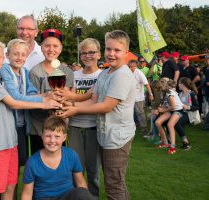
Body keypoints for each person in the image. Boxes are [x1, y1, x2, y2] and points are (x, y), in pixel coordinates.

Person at [0, 37, 59, 200]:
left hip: (11, 140)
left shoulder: (0, 76)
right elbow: (14, 102)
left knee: (10, 185)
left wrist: (47, 96)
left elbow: (27, 95)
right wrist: (44, 103)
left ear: (3, 57)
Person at [59, 30, 136, 200]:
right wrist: (69, 104)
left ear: (126, 52)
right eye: (109, 49)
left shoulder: (122, 75)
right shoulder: (105, 73)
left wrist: (75, 109)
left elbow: (107, 106)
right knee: (115, 182)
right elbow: (93, 99)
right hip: (107, 136)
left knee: (114, 185)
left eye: (117, 50)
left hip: (117, 138)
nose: (111, 54)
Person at [63, 38, 102, 199]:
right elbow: (67, 98)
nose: (87, 56)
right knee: (75, 169)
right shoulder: (73, 75)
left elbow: (99, 101)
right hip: (74, 127)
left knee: (93, 171)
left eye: (91, 52)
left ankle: (93, 197)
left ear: (99, 54)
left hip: (95, 127)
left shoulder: (103, 75)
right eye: (84, 53)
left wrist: (75, 106)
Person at [21, 115, 92, 200]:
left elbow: (81, 183)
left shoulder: (71, 155)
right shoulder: (32, 162)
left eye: (57, 136)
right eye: (48, 136)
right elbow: (27, 194)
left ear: (64, 137)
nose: (52, 140)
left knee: (82, 193)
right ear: (42, 136)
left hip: (66, 196)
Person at [29, 28, 74, 155]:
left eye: (55, 46)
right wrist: (48, 100)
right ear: (41, 47)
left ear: (60, 48)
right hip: (39, 129)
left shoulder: (67, 72)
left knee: (58, 165)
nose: (51, 49)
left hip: (59, 129)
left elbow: (69, 98)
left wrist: (63, 104)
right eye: (47, 45)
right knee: (39, 164)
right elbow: (31, 100)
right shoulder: (35, 72)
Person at [155, 80, 183, 154]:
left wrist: (163, 110)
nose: (158, 90)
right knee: (158, 122)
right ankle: (165, 143)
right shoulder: (164, 93)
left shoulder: (169, 93)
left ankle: (173, 147)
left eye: (158, 88)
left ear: (163, 87)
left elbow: (173, 107)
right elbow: (165, 104)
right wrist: (159, 110)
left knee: (170, 125)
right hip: (171, 110)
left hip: (178, 110)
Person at [128, 60, 154, 136]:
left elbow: (146, 84)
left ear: (135, 66)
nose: (131, 68)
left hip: (138, 97)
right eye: (130, 66)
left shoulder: (139, 73)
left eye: (133, 67)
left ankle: (144, 129)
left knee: (140, 113)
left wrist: (151, 94)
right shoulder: (127, 72)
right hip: (129, 97)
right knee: (129, 113)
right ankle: (130, 128)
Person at [177, 77, 199, 150]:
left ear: (183, 84)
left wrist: (188, 107)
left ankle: (186, 142)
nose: (178, 85)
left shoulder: (192, 94)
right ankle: (172, 140)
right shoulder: (179, 94)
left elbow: (197, 106)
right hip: (181, 113)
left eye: (179, 83)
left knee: (177, 123)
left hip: (189, 114)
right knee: (175, 123)